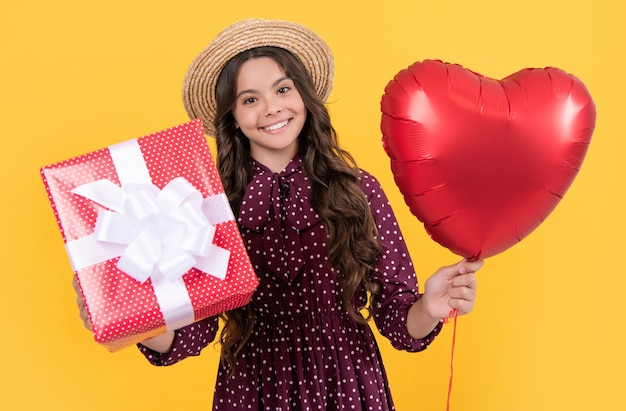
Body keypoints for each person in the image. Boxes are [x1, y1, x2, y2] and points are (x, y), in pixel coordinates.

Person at [75, 18, 483, 410]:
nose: (271, 108)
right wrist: (126, 317)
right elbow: (191, 334)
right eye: (250, 99)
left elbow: (398, 322)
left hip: (346, 380)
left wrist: (429, 306)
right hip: (251, 385)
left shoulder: (358, 190)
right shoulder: (206, 208)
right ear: (231, 117)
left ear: (304, 95)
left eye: (282, 89)